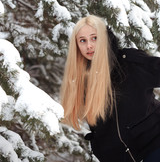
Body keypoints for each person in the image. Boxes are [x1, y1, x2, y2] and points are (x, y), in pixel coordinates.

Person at [60, 15, 160, 162]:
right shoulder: (81, 80)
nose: (89, 46)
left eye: (94, 38)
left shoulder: (129, 62)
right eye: (83, 41)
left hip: (154, 146)